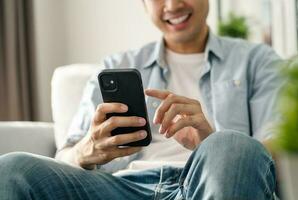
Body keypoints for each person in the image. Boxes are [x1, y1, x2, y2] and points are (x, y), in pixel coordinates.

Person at [0, 0, 283, 199]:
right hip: (118, 188)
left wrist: (211, 143)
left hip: (209, 183)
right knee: (12, 168)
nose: (172, 5)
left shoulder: (256, 60)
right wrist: (86, 151)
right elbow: (65, 155)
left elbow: (274, 146)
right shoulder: (116, 64)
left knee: (230, 144)